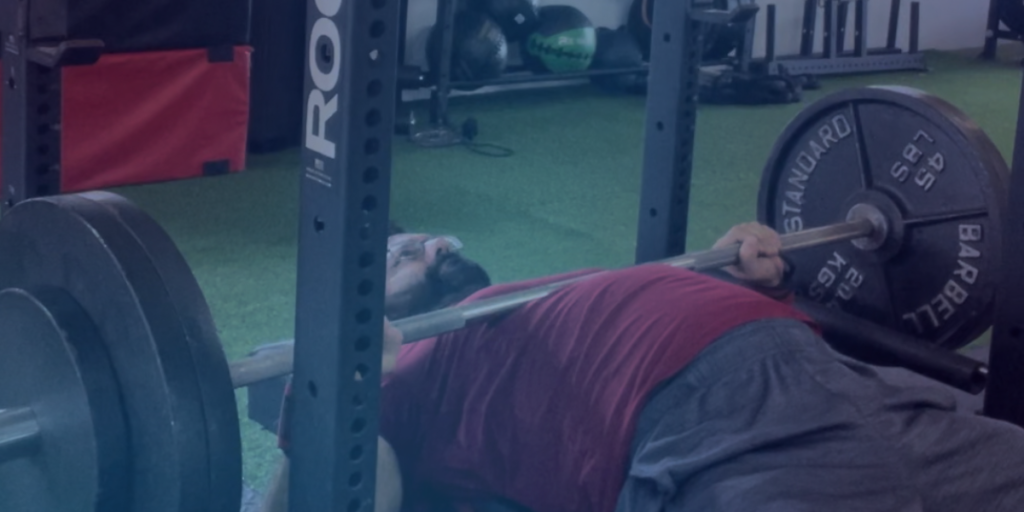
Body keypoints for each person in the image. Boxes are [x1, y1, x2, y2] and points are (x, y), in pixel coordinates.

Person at [264, 222, 1024, 512]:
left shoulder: (520, 301)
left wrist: (761, 274)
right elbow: (334, 487)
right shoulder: (394, 375)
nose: (436, 247)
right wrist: (333, 377)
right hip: (710, 429)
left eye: (432, 238)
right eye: (404, 254)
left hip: (811, 375)